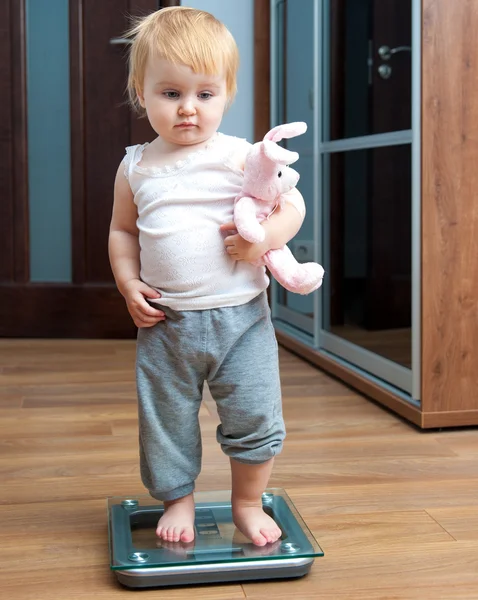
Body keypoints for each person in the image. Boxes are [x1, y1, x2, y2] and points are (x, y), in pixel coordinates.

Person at [108, 6, 307, 547]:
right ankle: (179, 498)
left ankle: (246, 502)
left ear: (227, 93)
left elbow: (293, 207)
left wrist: (263, 240)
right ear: (140, 90)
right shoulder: (135, 165)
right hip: (165, 324)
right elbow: (123, 233)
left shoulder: (244, 157)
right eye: (170, 93)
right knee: (166, 421)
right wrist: (128, 284)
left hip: (242, 319)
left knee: (254, 413)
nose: (188, 109)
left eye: (204, 94)